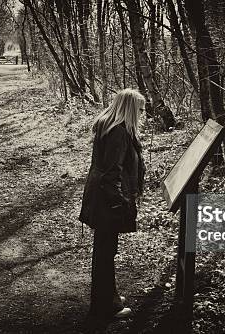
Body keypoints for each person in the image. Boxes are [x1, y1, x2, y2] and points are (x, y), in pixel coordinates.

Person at [79, 88, 146, 321]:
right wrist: (120, 203)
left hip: (100, 196)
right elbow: (111, 174)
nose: (142, 114)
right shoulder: (118, 133)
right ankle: (105, 307)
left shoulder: (108, 125)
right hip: (108, 200)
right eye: (140, 109)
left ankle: (109, 297)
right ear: (129, 109)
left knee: (105, 251)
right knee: (105, 253)